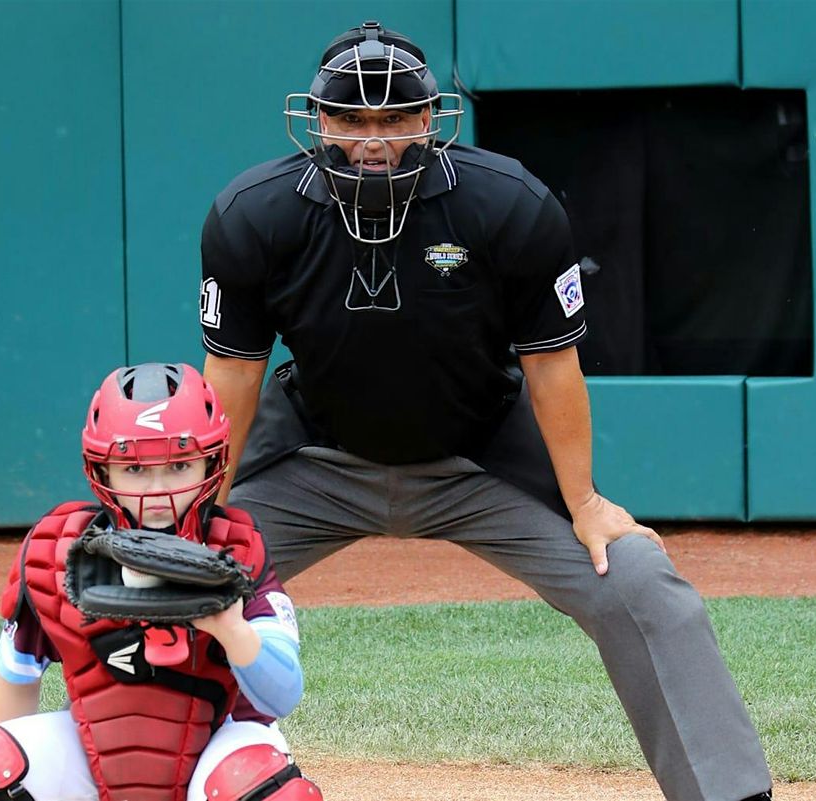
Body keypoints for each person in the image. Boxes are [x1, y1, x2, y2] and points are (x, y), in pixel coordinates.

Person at [198, 19, 773, 801]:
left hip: (479, 457)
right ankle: (133, 778)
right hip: (316, 460)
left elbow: (552, 365)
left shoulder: (505, 203)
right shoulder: (255, 213)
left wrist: (585, 502)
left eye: (396, 118)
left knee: (636, 578)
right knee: (171, 577)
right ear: (319, 121)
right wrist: (202, 515)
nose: (375, 140)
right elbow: (233, 375)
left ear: (431, 119)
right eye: (354, 119)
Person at [0, 363, 321, 801]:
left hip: (218, 753)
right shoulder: (55, 552)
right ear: (102, 471)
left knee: (269, 791)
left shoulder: (238, 551)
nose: (157, 489)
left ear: (212, 461)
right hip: (96, 751)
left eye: (179, 465)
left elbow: (282, 696)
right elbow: (15, 686)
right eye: (134, 469)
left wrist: (230, 628)